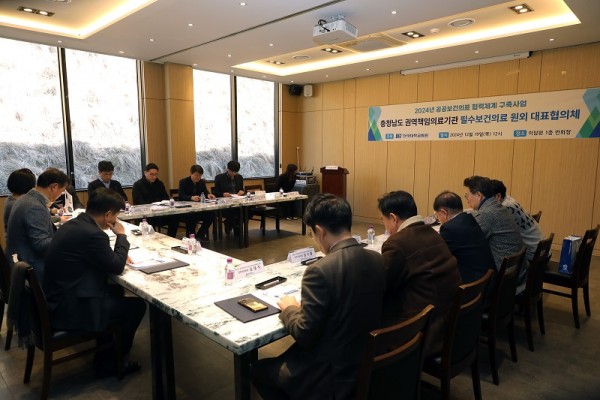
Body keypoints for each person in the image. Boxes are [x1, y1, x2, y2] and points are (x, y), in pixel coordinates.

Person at [251, 194, 385, 399]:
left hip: (331, 373)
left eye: (312, 233)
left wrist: (289, 309)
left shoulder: (319, 270)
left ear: (320, 231)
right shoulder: (377, 258)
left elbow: (304, 334)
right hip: (365, 359)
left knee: (257, 371)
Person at [43, 188, 146, 377]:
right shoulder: (93, 234)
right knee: (137, 306)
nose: (116, 220)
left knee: (116, 292)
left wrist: (114, 255)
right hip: (71, 306)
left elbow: (98, 258)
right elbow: (116, 266)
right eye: (116, 215)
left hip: (58, 296)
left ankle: (106, 352)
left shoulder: (74, 224)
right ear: (108, 215)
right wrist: (121, 236)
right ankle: (112, 362)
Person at [378, 190, 461, 357]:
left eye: (383, 219)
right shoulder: (432, 233)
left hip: (425, 332)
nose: (384, 224)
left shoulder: (397, 243)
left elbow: (382, 286)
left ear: (393, 218)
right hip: (450, 322)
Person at [464, 176, 525, 292]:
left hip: (506, 278)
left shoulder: (486, 214)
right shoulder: (498, 207)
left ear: (479, 195)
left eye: (467, 195)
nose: (467, 199)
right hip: (516, 271)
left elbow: (469, 241)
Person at [6, 168, 69, 280]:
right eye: (62, 191)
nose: (60, 195)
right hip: (31, 266)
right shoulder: (34, 206)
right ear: (54, 187)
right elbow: (40, 244)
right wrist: (66, 235)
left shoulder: (27, 198)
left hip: (22, 259)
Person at [433, 191, 495, 283]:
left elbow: (438, 257)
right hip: (488, 280)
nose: (437, 218)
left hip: (472, 285)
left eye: (437, 215)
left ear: (444, 212)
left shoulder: (449, 228)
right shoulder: (469, 219)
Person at [489, 179, 543, 262]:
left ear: (498, 196)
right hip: (541, 251)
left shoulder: (505, 207)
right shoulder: (509, 200)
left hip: (533, 255)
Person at [132, 163, 179, 237]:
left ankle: (170, 237)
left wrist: (164, 203)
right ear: (145, 173)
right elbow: (138, 202)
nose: (154, 177)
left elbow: (165, 198)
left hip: (160, 212)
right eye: (151, 174)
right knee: (149, 223)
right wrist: (152, 206)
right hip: (145, 215)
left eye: (156, 174)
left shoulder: (159, 183)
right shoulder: (137, 185)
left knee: (175, 218)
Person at [178, 164, 215, 241]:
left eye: (200, 175)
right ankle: (192, 236)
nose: (198, 177)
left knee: (212, 214)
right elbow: (181, 196)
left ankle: (199, 235)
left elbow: (205, 192)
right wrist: (191, 198)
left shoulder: (201, 182)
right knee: (192, 216)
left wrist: (209, 195)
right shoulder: (183, 182)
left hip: (199, 209)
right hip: (187, 211)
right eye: (196, 175)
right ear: (191, 173)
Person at [213, 160, 244, 235]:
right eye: (231, 171)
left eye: (235, 172)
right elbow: (215, 192)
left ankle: (230, 223)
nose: (233, 173)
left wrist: (242, 192)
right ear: (228, 169)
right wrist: (223, 194)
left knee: (247, 211)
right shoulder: (219, 178)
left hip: (237, 201)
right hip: (225, 204)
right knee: (232, 212)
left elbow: (242, 189)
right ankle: (236, 228)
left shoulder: (239, 177)